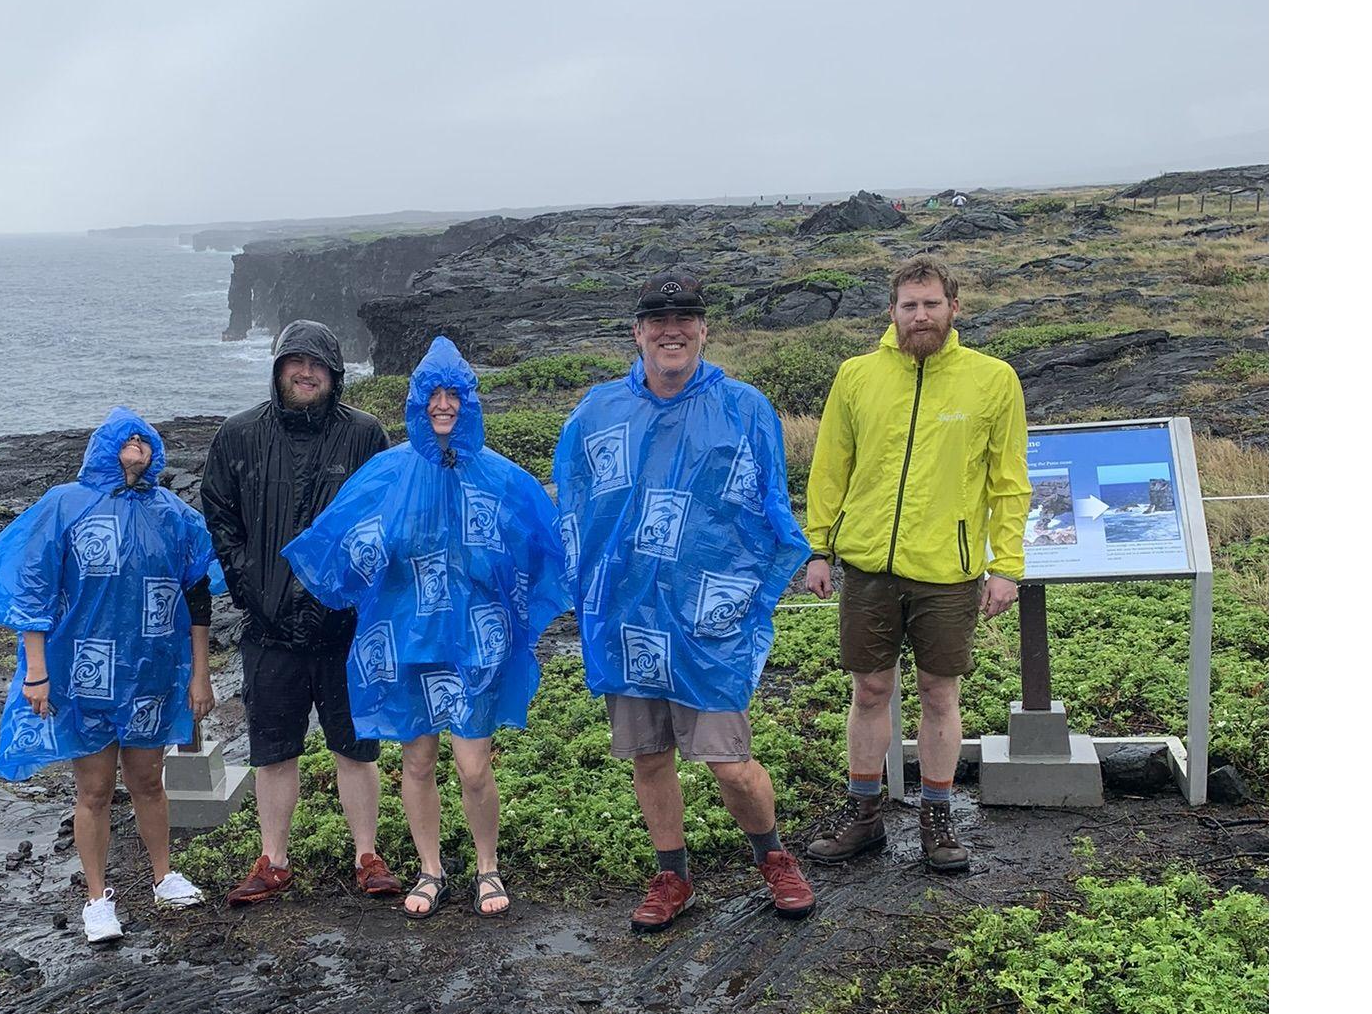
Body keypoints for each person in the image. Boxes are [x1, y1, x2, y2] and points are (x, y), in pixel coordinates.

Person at [553, 269, 817, 932]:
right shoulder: (598, 411)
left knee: (730, 763)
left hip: (707, 616)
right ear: (638, 332)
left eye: (683, 320)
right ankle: (672, 874)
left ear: (702, 329)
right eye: (657, 321)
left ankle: (774, 857)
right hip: (628, 615)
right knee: (649, 756)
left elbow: (770, 507)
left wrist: (762, 585)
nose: (670, 331)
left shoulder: (744, 407)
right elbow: (572, 503)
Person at [283, 337, 571, 919]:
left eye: (453, 394)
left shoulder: (500, 476)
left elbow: (542, 539)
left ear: (469, 401)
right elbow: (342, 537)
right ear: (417, 402)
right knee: (417, 763)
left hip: (476, 641)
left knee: (474, 766)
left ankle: (487, 866)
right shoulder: (389, 473)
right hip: (408, 641)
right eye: (432, 395)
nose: (443, 405)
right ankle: (431, 868)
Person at [0, 408, 217, 942]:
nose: (137, 443)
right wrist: (37, 671)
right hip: (83, 670)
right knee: (94, 789)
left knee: (148, 781)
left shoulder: (172, 513)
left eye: (145, 438)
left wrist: (200, 673)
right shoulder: (64, 504)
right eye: (126, 437)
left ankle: (163, 877)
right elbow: (34, 589)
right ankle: (96, 899)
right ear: (104, 447)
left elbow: (198, 590)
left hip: (151, 671)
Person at [801, 253, 1029, 872]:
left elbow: (1009, 481)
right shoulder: (856, 376)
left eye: (931, 304)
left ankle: (937, 817)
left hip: (949, 570)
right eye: (909, 305)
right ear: (892, 310)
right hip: (868, 566)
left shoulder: (993, 379)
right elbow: (831, 467)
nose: (920, 315)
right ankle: (864, 815)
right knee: (870, 689)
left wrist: (1006, 565)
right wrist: (818, 547)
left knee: (938, 692)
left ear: (954, 307)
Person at [199, 320, 403, 904]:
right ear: (278, 368)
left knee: (356, 748)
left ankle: (367, 855)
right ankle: (274, 860)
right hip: (269, 628)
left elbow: (385, 516)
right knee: (273, 751)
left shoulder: (364, 434)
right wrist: (247, 582)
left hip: (345, 628)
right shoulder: (239, 435)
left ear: (334, 374)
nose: (305, 373)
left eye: (317, 364)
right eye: (295, 362)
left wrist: (358, 590)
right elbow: (218, 511)